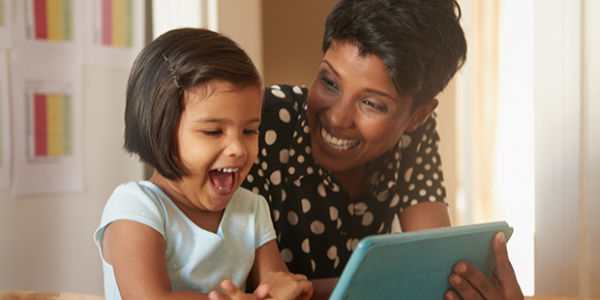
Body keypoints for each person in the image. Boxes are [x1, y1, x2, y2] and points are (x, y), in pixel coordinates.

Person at [241, 0, 524, 299]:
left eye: (372, 104)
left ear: (417, 117)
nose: (336, 117)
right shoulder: (256, 124)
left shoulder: (413, 137)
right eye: (329, 82)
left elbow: (436, 272)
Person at [93, 28, 313, 300]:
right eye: (213, 131)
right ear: (159, 130)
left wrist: (283, 290)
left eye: (249, 131)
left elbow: (273, 281)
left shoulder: (252, 209)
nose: (238, 149)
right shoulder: (135, 207)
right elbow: (149, 297)